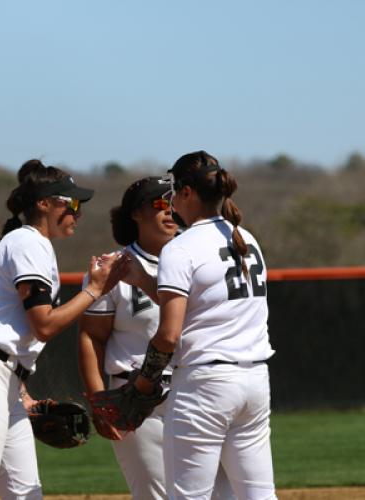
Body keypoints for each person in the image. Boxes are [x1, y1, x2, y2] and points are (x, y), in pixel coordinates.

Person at [0, 159, 124, 500]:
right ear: (44, 203)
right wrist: (95, 290)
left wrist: (20, 391)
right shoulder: (28, 242)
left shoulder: (29, 244)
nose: (78, 213)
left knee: (25, 493)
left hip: (1, 378)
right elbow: (44, 325)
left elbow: (17, 327)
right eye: (73, 203)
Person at [126, 151, 277, 500]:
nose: (171, 200)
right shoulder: (247, 239)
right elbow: (206, 303)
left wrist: (145, 382)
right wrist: (145, 281)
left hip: (205, 385)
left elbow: (168, 334)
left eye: (174, 191)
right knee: (259, 495)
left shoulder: (180, 247)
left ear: (189, 193)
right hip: (253, 382)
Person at [78, 176, 237, 500]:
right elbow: (92, 337)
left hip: (198, 390)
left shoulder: (200, 258)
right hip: (136, 400)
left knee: (223, 493)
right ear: (136, 213)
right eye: (159, 203)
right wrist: (99, 403)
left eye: (173, 202)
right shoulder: (114, 267)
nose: (169, 211)